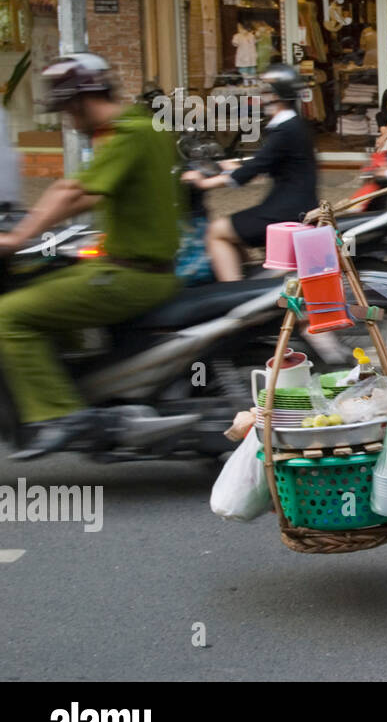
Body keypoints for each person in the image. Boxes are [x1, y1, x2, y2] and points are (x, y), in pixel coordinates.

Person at [0, 54, 188, 456]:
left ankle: (59, 414)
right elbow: (76, 190)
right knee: (43, 284)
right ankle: (81, 385)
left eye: (66, 111)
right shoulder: (147, 126)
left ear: (79, 102)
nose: (67, 121)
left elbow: (74, 193)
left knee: (9, 315)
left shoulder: (127, 133)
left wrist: (16, 238)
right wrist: (34, 225)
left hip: (131, 275)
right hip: (138, 266)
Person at [183, 63, 318, 282]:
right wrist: (233, 165)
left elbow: (254, 169)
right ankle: (246, 281)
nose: (263, 97)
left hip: (286, 211)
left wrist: (204, 183)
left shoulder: (284, 129)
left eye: (266, 91)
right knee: (234, 232)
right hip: (297, 205)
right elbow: (269, 161)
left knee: (217, 231)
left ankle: (234, 298)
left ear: (277, 95)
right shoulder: (295, 125)